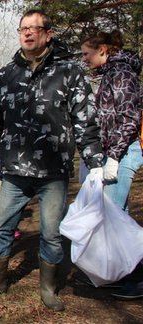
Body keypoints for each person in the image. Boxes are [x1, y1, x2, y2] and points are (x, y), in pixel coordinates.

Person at [0, 9, 104, 312]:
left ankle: (49, 287)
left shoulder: (69, 71)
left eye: (34, 28)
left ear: (48, 34)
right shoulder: (6, 74)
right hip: (14, 170)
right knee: (2, 226)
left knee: (52, 233)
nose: (27, 33)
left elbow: (85, 120)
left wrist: (94, 160)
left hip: (53, 171)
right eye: (23, 28)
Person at [80, 30, 143, 299]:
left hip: (124, 152)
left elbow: (128, 117)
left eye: (87, 54)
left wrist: (115, 156)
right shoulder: (109, 74)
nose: (84, 59)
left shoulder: (122, 74)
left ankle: (137, 278)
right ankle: (121, 273)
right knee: (118, 214)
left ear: (103, 50)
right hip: (111, 153)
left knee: (115, 217)